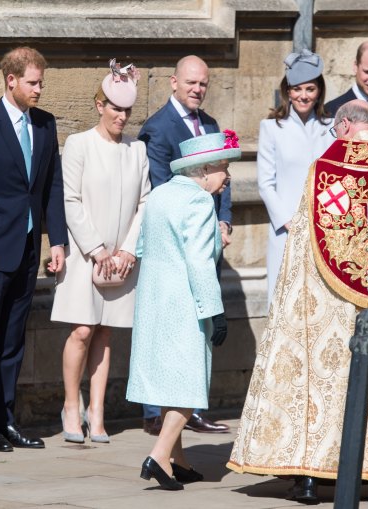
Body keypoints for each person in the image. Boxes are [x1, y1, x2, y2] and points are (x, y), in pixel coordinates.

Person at [227, 100, 368, 504]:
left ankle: (308, 475)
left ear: (343, 127)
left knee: (320, 381)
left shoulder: (328, 172)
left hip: (332, 305)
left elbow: (303, 246)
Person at [0, 46, 68, 452]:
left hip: (26, 248)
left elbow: (51, 185)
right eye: (32, 82)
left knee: (12, 340)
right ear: (11, 80)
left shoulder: (44, 124)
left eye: (41, 82)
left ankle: (7, 420)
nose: (39, 89)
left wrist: (55, 238)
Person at [127, 130, 239, 490]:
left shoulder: (159, 194)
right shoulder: (199, 202)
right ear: (204, 170)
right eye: (224, 168)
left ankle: (179, 459)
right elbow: (200, 262)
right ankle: (159, 457)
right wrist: (215, 311)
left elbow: (143, 246)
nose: (228, 177)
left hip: (153, 300)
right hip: (186, 302)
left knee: (169, 383)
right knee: (189, 384)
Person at [51, 60, 150, 444]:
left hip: (122, 259)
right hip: (84, 254)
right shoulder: (79, 144)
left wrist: (127, 250)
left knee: (106, 333)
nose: (121, 116)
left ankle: (98, 411)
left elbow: (145, 202)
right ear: (99, 105)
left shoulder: (137, 150)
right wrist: (97, 249)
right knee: (81, 330)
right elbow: (70, 200)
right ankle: (71, 405)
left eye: (126, 110)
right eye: (114, 108)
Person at [137, 55, 230, 435]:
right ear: (173, 82)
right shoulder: (158, 128)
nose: (197, 89)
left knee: (193, 335)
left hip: (208, 232)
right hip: (178, 242)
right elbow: (162, 186)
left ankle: (188, 410)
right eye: (191, 82)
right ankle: (157, 412)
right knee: (170, 330)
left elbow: (225, 178)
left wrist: (222, 221)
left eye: (203, 83)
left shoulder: (210, 124)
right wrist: (203, 221)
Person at [257, 50, 332, 304]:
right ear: (287, 91)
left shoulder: (330, 129)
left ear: (319, 91)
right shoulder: (271, 128)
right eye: (297, 89)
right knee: (283, 300)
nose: (303, 96)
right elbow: (266, 183)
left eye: (310, 89)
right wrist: (288, 222)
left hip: (323, 230)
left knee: (318, 302)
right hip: (285, 231)